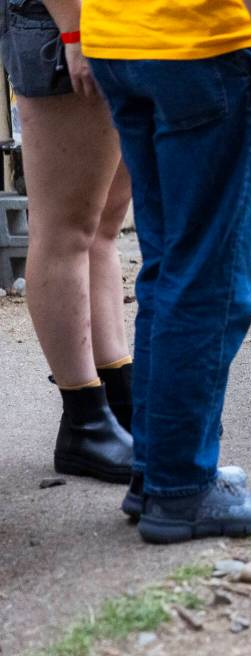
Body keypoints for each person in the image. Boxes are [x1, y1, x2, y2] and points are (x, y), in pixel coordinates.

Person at [80, 0, 251, 543]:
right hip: (202, 47)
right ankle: (182, 488)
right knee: (209, 276)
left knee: (170, 265)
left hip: (117, 45)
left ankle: (155, 474)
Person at [0, 0, 135, 484]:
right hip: (66, 22)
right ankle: (85, 423)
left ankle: (118, 399)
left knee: (101, 227)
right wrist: (76, 32)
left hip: (115, 21)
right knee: (66, 229)